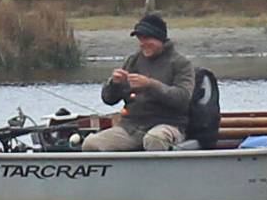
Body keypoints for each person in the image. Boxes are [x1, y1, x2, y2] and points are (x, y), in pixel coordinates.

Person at [82, 14, 195, 151]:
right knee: (91, 144)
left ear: (160, 39)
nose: (143, 43)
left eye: (147, 39)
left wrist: (150, 84)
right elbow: (108, 99)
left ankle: (159, 172)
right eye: (140, 39)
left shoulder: (181, 64)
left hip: (169, 124)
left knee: (154, 139)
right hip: (130, 127)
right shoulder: (133, 61)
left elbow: (183, 99)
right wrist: (115, 84)